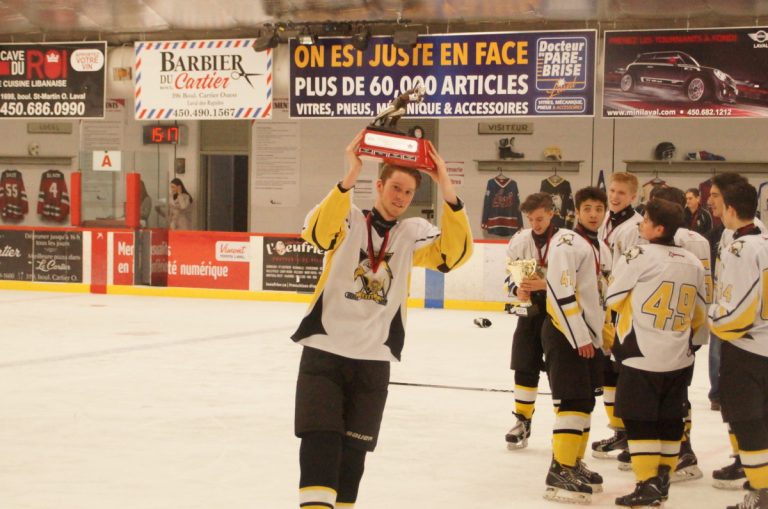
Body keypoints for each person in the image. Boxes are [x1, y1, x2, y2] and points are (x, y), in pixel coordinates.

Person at [290, 131, 472, 508]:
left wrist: (446, 186)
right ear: (378, 184)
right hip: (325, 352)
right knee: (320, 446)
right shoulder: (348, 218)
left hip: (373, 362)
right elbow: (318, 234)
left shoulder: (413, 234)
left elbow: (453, 256)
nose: (400, 198)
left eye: (408, 192)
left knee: (353, 460)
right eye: (395, 188)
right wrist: (349, 174)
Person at [605, 198, 706, 508]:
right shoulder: (692, 260)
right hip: (678, 356)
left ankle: (647, 482)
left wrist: (610, 337)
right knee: (669, 420)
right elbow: (700, 312)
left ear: (659, 228)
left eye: (645, 220)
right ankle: (662, 480)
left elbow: (613, 296)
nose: (640, 224)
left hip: (640, 353)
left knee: (639, 421)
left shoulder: (638, 254)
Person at [639, 186, 711, 484]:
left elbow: (702, 288)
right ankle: (670, 449)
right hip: (670, 328)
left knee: (673, 395)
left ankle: (682, 448)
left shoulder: (686, 242)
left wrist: (697, 332)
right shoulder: (693, 240)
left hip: (673, 328)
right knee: (667, 393)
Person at [542, 186, 608, 504]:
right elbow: (560, 292)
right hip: (565, 333)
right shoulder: (567, 242)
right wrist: (580, 336)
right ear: (577, 212)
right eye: (588, 208)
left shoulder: (598, 246)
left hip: (588, 337)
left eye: (598, 208)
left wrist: (600, 336)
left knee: (585, 403)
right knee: (572, 401)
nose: (594, 214)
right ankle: (560, 469)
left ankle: (573, 463)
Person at [709, 179, 768, 509]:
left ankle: (762, 495)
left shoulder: (741, 249)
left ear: (730, 209)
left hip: (746, 349)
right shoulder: (763, 241)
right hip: (763, 347)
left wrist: (714, 318)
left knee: (748, 422)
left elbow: (740, 313)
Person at [593, 172, 644, 461]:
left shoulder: (635, 227)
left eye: (621, 193)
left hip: (625, 308)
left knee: (625, 371)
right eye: (611, 190)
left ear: (633, 197)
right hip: (606, 306)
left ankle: (632, 432)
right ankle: (619, 431)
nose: (614, 196)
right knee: (609, 371)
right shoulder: (606, 222)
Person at [503, 192, 557, 450]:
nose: (536, 224)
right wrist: (517, 290)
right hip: (530, 312)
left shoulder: (564, 241)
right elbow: (511, 276)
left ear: (551, 214)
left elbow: (576, 281)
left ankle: (566, 424)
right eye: (531, 219)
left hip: (559, 313)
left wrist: (547, 285)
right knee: (524, 364)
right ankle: (523, 420)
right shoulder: (521, 241)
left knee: (560, 370)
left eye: (541, 219)